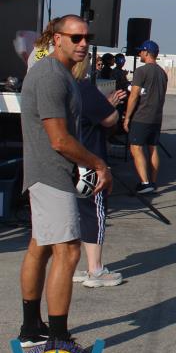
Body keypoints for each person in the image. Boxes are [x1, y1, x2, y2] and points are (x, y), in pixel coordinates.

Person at [18, 15, 112, 347]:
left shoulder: (63, 74)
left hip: (50, 174)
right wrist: (98, 163)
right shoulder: (50, 77)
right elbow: (59, 140)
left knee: (40, 247)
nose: (83, 43)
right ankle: (58, 339)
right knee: (69, 251)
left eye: (87, 37)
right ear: (57, 39)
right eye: (75, 38)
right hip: (52, 175)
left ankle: (31, 328)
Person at [72, 54, 127, 287]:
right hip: (90, 160)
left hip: (68, 160)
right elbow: (110, 118)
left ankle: (77, 266)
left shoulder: (62, 88)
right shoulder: (84, 88)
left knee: (76, 213)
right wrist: (110, 104)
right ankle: (95, 269)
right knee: (95, 211)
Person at [124, 40, 168, 194]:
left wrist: (127, 117)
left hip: (142, 116)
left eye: (141, 51)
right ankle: (153, 182)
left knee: (136, 147)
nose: (139, 54)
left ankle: (145, 183)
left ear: (147, 53)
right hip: (156, 117)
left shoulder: (141, 71)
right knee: (153, 148)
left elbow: (134, 95)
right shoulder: (162, 73)